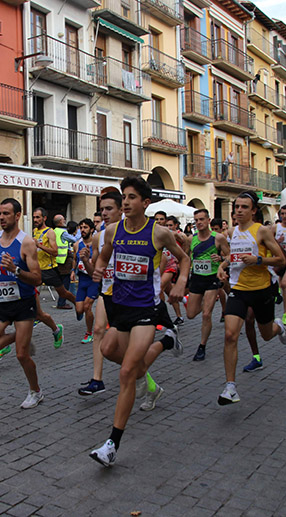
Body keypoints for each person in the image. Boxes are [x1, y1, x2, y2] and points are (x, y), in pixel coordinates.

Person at [89, 177, 189, 467]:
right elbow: (104, 256)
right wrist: (98, 269)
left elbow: (184, 259)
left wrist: (182, 282)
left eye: (132, 197)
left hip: (147, 309)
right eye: (125, 197)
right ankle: (167, 341)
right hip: (121, 307)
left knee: (127, 373)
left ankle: (112, 444)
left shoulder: (158, 233)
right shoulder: (112, 230)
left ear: (145, 203)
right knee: (108, 349)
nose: (127, 202)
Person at [216, 191, 286, 405]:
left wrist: (258, 260)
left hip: (261, 290)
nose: (239, 210)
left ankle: (278, 327)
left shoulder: (261, 231)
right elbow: (234, 256)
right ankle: (230, 387)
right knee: (230, 335)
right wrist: (222, 265)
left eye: (244, 207)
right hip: (238, 290)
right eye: (237, 206)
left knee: (266, 334)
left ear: (254, 210)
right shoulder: (231, 232)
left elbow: (281, 260)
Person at [0, 198, 44, 408]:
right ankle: (20, 336)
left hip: (23, 303)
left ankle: (35, 391)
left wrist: (16, 270)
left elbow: (38, 279)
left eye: (6, 213)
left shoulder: (26, 242)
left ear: (17, 216)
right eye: (0, 213)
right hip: (2, 302)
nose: (2, 217)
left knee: (22, 355)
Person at [77, 191, 123, 396]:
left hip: (128, 294)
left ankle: (141, 375)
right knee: (97, 330)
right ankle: (97, 380)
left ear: (121, 210)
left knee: (123, 342)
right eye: (102, 209)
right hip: (106, 290)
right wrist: (85, 260)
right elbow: (94, 272)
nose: (104, 213)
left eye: (109, 209)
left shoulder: (130, 232)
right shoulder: (98, 237)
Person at [185, 209, 226, 361]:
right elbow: (185, 257)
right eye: (196, 220)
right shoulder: (191, 239)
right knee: (190, 314)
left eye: (202, 219)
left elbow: (230, 256)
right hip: (196, 278)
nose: (199, 222)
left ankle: (202, 346)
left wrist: (221, 258)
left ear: (208, 220)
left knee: (206, 314)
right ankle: (208, 302)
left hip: (212, 278)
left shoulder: (218, 238)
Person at [32, 208, 76, 312]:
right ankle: (36, 313)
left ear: (44, 218)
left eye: (38, 217)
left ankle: (77, 303)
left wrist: (39, 245)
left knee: (63, 293)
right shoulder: (35, 231)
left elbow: (55, 252)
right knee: (30, 290)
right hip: (38, 268)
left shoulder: (50, 232)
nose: (35, 220)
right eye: (34, 217)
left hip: (49, 269)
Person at [74, 218, 99, 344]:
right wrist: (73, 271)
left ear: (92, 229)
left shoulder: (96, 244)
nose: (82, 230)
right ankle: (82, 312)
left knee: (87, 306)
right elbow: (75, 259)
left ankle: (89, 333)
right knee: (79, 309)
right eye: (81, 228)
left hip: (93, 280)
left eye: (85, 227)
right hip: (82, 280)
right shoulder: (77, 244)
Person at [53, 214, 79, 309]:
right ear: (60, 221)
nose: (65, 221)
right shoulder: (63, 232)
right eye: (64, 219)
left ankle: (62, 302)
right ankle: (62, 303)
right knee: (65, 283)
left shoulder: (54, 231)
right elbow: (75, 239)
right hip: (64, 260)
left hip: (57, 260)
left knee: (60, 282)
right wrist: (79, 232)